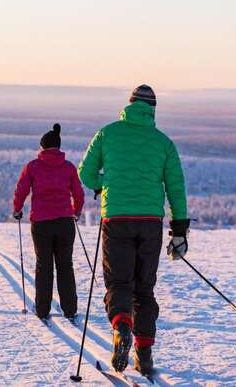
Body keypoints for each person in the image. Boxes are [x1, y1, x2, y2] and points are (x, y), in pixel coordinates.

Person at [78, 84, 189, 375]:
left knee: (119, 284)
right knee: (144, 289)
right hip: (151, 223)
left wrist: (104, 185)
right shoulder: (163, 142)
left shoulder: (108, 133)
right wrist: (179, 229)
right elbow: (176, 187)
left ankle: (121, 328)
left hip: (116, 219)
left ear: (128, 106)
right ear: (152, 110)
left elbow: (85, 172)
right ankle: (145, 355)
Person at [12, 123, 85, 321]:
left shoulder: (33, 167)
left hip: (41, 223)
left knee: (43, 265)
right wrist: (76, 212)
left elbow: (21, 190)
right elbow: (78, 193)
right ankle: (70, 309)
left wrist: (17, 209)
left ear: (42, 147)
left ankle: (42, 309)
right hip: (65, 222)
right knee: (65, 265)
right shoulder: (68, 167)